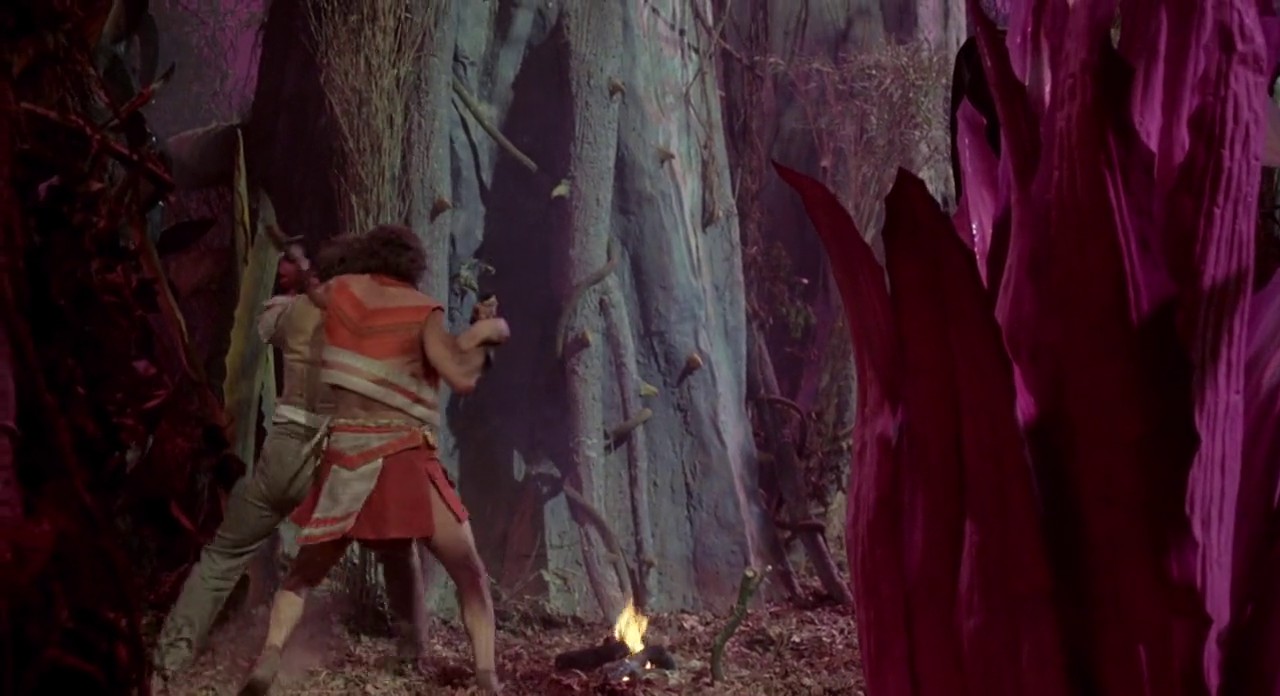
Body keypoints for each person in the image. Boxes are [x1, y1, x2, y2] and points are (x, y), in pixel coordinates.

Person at [239, 224, 509, 695]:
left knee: (300, 577)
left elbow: (313, 288)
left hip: (346, 463)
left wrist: (299, 262)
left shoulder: (340, 292)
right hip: (405, 461)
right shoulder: (421, 309)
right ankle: (487, 678)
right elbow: (461, 377)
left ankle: (271, 655)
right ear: (412, 264)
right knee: (469, 575)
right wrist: (487, 335)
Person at [152, 240, 427, 689]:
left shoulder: (296, 312)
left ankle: (171, 659)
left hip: (287, 450)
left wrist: (296, 290)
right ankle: (411, 652)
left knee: (223, 555)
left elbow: (267, 324)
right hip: (345, 456)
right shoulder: (374, 318)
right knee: (397, 548)